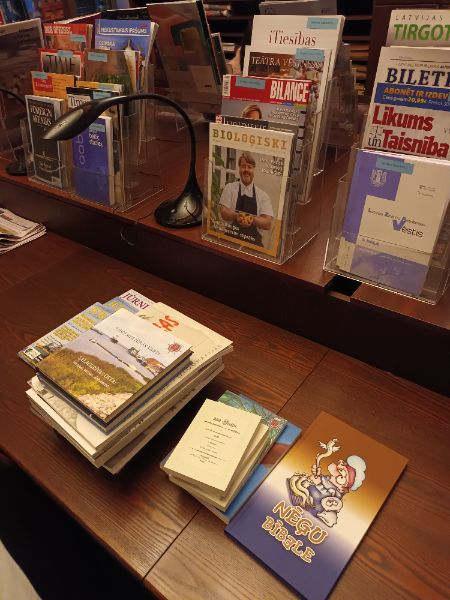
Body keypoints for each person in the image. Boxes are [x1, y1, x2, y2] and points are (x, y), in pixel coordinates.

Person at [219, 151, 273, 247]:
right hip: (231, 239)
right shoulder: (229, 188)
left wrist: (250, 219)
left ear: (254, 170)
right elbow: (223, 212)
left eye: (249, 167)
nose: (246, 170)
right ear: (239, 168)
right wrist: (237, 216)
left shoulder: (263, 196)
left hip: (254, 244)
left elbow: (268, 223)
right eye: (243, 166)